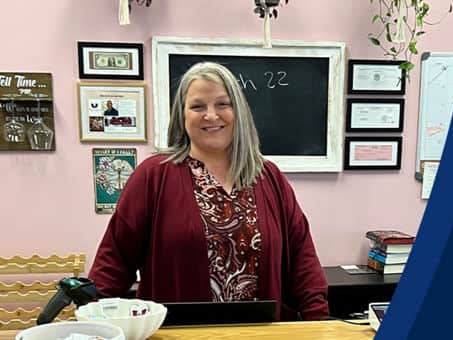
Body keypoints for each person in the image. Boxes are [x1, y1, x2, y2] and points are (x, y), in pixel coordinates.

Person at [88, 62, 329, 321]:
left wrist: (320, 323)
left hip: (261, 333)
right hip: (178, 335)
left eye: (223, 104)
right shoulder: (153, 177)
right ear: (182, 115)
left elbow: (304, 262)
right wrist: (92, 322)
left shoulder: (269, 177)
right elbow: (113, 262)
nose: (211, 116)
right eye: (197, 106)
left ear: (239, 112)